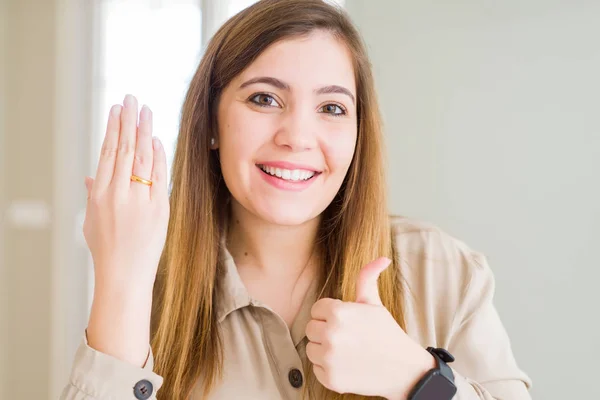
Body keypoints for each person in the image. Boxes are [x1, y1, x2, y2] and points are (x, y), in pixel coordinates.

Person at [61, 0, 532, 399]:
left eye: (331, 108)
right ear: (210, 124)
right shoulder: (150, 282)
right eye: (264, 99)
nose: (298, 137)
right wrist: (122, 278)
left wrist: (419, 380)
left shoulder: (443, 270)